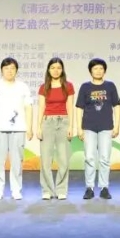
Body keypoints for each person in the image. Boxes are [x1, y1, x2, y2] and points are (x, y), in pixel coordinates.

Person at [0, 57, 33, 200]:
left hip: (18, 129)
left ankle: (16, 190)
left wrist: (29, 128)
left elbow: (28, 108)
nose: (9, 71)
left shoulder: (23, 87)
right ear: (1, 70)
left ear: (16, 70)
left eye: (12, 68)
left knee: (17, 161)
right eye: (6, 68)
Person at [75, 58, 120, 200]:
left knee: (104, 158)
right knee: (89, 157)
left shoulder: (110, 86)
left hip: (106, 126)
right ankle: (89, 188)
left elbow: (116, 106)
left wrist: (117, 125)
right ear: (90, 71)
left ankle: (104, 187)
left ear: (104, 71)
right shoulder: (85, 87)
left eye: (101, 68)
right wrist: (79, 128)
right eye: (95, 68)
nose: (98, 71)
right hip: (89, 127)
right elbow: (79, 108)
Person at [37, 57, 75, 200]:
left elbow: (70, 107)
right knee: (46, 159)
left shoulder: (68, 86)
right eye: (53, 68)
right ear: (48, 70)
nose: (56, 70)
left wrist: (71, 126)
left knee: (63, 158)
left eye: (58, 68)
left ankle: (61, 189)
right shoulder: (44, 87)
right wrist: (38, 127)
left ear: (62, 70)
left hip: (63, 121)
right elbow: (41, 107)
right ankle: (47, 190)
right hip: (47, 122)